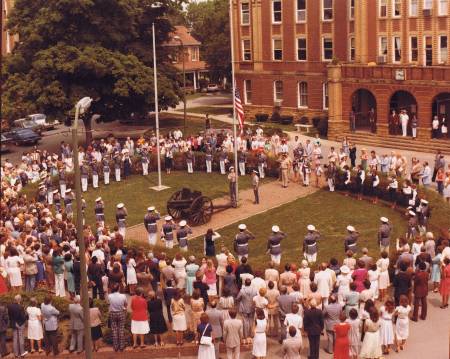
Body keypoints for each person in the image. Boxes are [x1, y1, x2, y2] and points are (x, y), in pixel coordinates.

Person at [107, 284, 128, 352]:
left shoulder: (109, 296)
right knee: (121, 329)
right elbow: (126, 304)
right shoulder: (123, 296)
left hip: (113, 313)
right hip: (121, 312)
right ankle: (121, 346)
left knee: (114, 330)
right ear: (118, 288)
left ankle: (115, 346)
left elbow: (108, 304)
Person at [236, 278, 256, 344]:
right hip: (252, 307)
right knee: (251, 321)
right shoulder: (254, 290)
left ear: (245, 283)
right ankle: (250, 335)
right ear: (250, 283)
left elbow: (237, 298)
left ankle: (246, 335)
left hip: (244, 308)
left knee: (245, 322)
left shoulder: (242, 290)